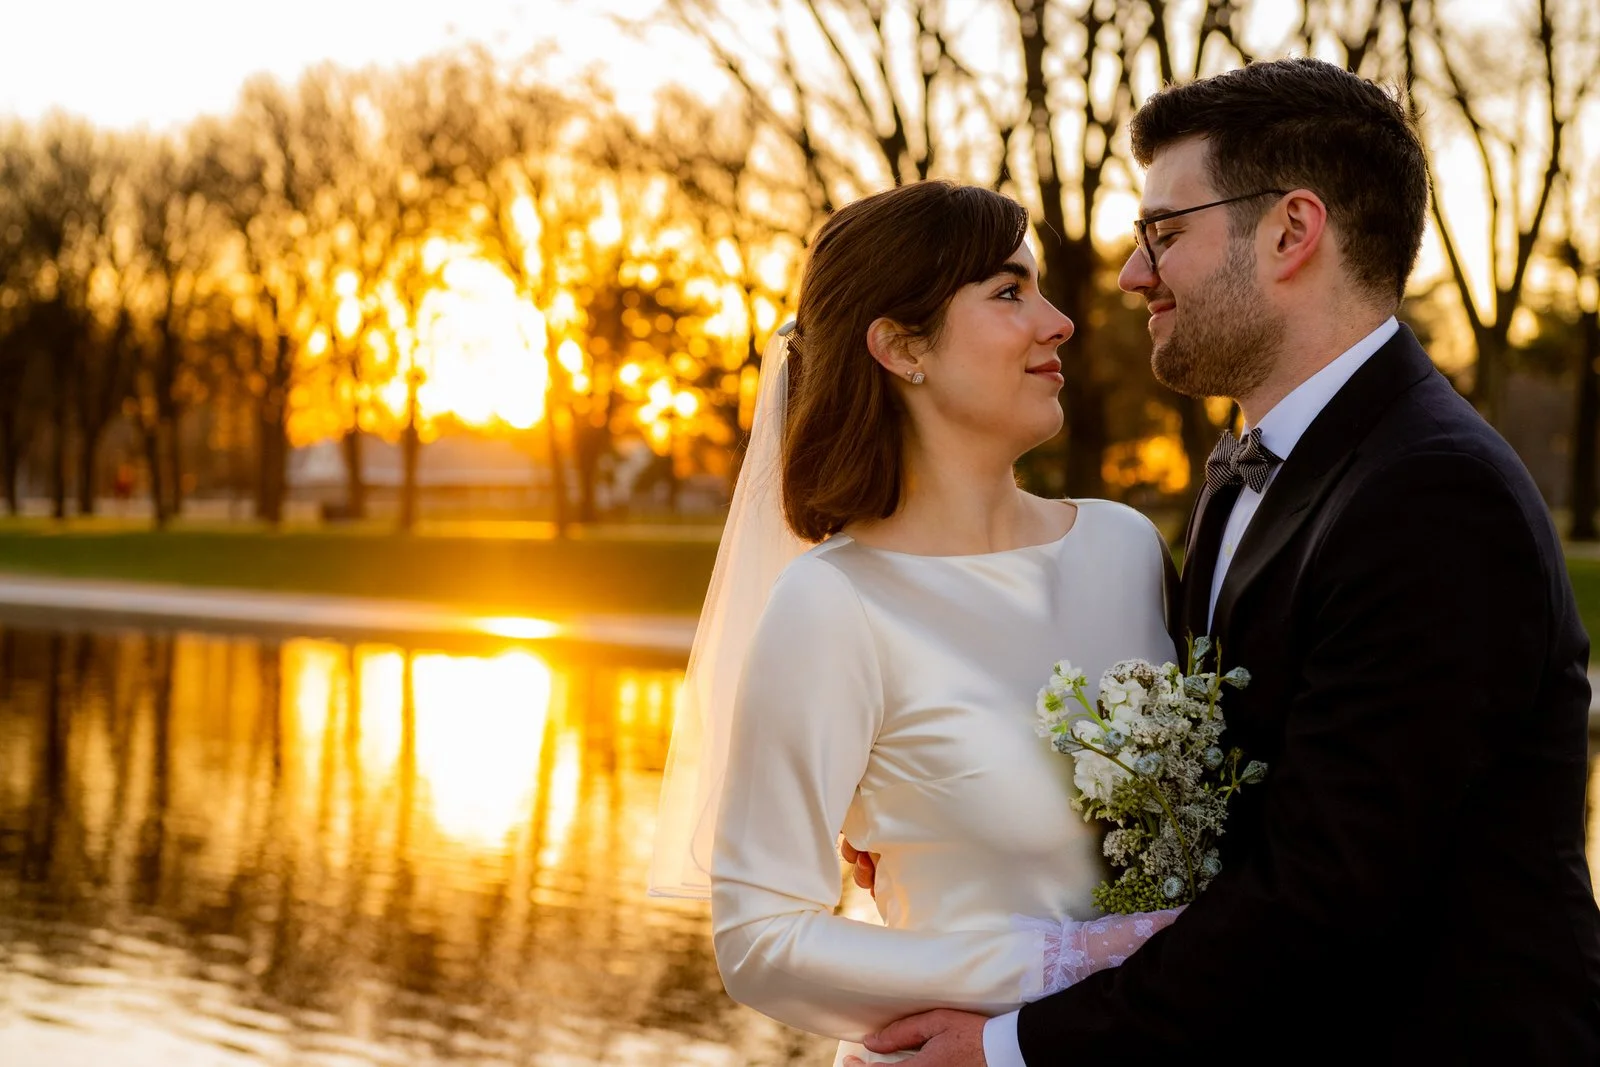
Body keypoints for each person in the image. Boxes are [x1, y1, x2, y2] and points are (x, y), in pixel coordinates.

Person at [854, 57, 1600, 1067]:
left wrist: (1013, 1046)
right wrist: (949, 815)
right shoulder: (1250, 467)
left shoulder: (1434, 495)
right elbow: (1205, 790)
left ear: (1292, 231)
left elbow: (1323, 889)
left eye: (1163, 232)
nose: (1131, 275)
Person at [648, 179, 1184, 1066]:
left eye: (1041, 290)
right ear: (902, 348)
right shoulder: (835, 605)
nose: (1059, 322)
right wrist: (1057, 961)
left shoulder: (1127, 549)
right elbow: (759, 939)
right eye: (1009, 291)